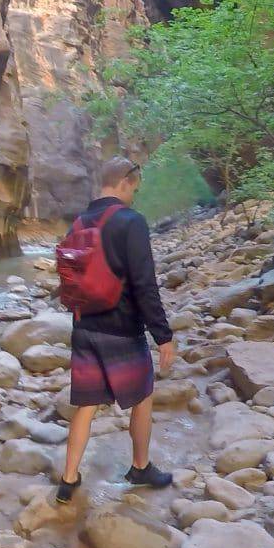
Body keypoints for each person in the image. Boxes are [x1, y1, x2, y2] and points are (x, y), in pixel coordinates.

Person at [56, 156, 176, 504]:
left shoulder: (79, 221)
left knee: (87, 404)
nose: (134, 195)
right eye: (134, 188)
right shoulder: (130, 221)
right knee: (142, 397)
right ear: (125, 182)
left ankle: (69, 479)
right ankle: (140, 466)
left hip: (83, 326)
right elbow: (144, 284)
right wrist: (163, 334)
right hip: (122, 328)